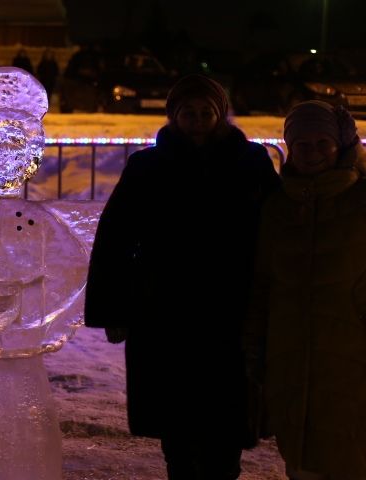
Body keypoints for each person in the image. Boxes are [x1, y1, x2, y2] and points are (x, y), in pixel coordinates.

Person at [84, 74, 280, 480]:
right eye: (187, 112)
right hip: (164, 309)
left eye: (205, 112)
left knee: (226, 418)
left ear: (220, 113)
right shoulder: (147, 166)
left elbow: (278, 230)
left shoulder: (251, 163)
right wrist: (114, 308)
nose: (197, 120)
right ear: (173, 116)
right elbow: (115, 237)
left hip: (231, 307)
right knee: (176, 421)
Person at [245, 101, 366, 480]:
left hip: (352, 361)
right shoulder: (278, 207)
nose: (312, 152)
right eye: (302, 144)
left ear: (341, 145)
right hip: (291, 360)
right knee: (302, 461)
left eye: (322, 142)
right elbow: (262, 283)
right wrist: (256, 347)